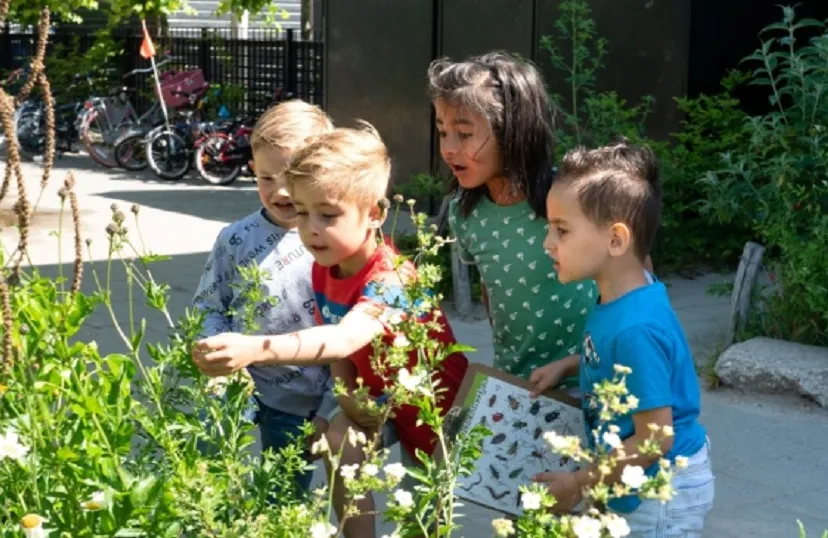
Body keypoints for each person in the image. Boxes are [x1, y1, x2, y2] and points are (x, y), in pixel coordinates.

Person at [192, 122, 469, 538]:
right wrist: (344, 399)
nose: (311, 228)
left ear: (374, 214)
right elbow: (340, 352)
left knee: (425, 515)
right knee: (339, 439)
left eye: (328, 214)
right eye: (303, 212)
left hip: (439, 410)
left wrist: (256, 348)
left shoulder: (394, 278)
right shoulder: (328, 267)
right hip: (382, 399)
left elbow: (345, 337)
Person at [531, 140, 714, 536]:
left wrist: (580, 483)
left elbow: (656, 439)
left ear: (616, 240)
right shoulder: (621, 297)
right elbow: (626, 365)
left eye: (561, 230)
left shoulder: (636, 328)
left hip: (660, 493)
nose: (548, 243)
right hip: (635, 482)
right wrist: (569, 364)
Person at [429, 51, 598, 391]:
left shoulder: (570, 198)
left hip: (590, 381)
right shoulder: (465, 212)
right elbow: (491, 291)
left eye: (463, 134)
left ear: (514, 132)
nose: (448, 148)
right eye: (442, 131)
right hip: (517, 384)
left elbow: (630, 276)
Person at [192, 100, 335, 493]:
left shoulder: (333, 243)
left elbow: (348, 338)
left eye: (293, 176)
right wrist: (213, 348)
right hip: (236, 389)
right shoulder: (235, 239)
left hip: (302, 400)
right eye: (267, 178)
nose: (281, 190)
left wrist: (329, 410)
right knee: (208, 482)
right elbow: (209, 304)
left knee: (283, 495)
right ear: (253, 169)